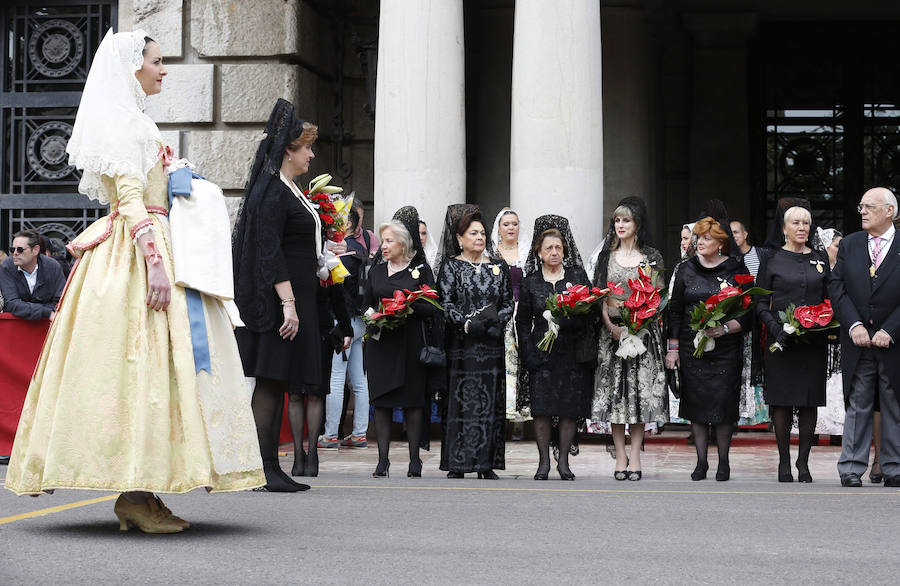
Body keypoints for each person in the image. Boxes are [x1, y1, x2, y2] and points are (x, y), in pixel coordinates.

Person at [5, 30, 265, 532]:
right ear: (133, 68)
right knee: (140, 370)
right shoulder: (126, 124)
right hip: (136, 249)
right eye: (157, 61)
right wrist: (156, 263)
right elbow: (127, 200)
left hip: (150, 238)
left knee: (156, 374)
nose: (164, 69)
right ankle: (136, 494)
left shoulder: (136, 121)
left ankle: (144, 491)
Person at [232, 98, 324, 493]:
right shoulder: (272, 190)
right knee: (270, 382)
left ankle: (268, 467)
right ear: (288, 149)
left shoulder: (286, 187)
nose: (311, 154)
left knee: (277, 382)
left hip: (295, 296)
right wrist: (288, 303)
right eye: (305, 147)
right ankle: (264, 467)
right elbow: (269, 251)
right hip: (278, 303)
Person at [666, 217, 751, 481]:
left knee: (724, 405)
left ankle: (723, 462)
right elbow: (676, 311)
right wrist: (673, 349)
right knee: (697, 404)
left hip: (725, 348)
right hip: (694, 348)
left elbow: (749, 310)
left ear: (721, 243)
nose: (699, 242)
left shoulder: (735, 269)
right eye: (698, 238)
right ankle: (701, 461)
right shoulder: (685, 269)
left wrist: (725, 328)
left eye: (706, 238)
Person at [592, 197, 667, 481]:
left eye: (626, 220)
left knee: (637, 396)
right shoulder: (605, 257)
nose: (620, 225)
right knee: (615, 398)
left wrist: (640, 323)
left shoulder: (652, 257)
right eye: (617, 221)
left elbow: (658, 296)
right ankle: (620, 455)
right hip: (611, 336)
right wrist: (611, 326)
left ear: (637, 224)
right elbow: (598, 296)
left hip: (643, 335)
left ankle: (635, 454)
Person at [830, 187, 900, 488]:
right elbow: (837, 287)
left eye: (869, 206)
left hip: (893, 340)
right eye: (861, 206)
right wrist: (854, 324)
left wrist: (890, 329)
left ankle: (893, 467)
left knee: (894, 403)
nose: (862, 211)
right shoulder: (851, 244)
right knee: (857, 402)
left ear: (889, 211)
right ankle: (850, 467)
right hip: (858, 340)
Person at [437, 208, 514, 479]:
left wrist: (494, 323)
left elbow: (508, 303)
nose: (479, 237)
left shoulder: (498, 265)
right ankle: (459, 463)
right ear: (459, 238)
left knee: (489, 402)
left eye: (482, 233)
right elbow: (444, 303)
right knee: (463, 402)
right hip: (462, 346)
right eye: (473, 233)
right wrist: (466, 324)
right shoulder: (451, 266)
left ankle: (485, 463)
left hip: (491, 346)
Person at [756, 205, 829, 482]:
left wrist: (824, 322)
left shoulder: (821, 258)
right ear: (784, 228)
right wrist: (775, 328)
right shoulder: (771, 259)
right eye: (795, 223)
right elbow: (760, 302)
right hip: (781, 341)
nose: (802, 227)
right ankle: (784, 462)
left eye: (806, 223)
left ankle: (804, 463)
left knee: (810, 402)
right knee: (783, 402)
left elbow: (829, 296)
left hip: (813, 341)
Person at [364, 213, 440, 477]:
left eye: (389, 241)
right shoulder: (375, 271)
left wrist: (405, 307)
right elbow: (364, 304)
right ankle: (383, 461)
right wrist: (375, 315)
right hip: (381, 345)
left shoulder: (420, 270)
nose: (384, 246)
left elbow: (432, 307)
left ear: (403, 244)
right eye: (383, 241)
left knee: (413, 402)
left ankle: (414, 460)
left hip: (410, 345)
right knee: (382, 402)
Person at [516, 218, 593, 480]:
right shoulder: (530, 282)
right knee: (543, 408)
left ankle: (563, 463)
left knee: (569, 407)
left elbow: (588, 314)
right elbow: (522, 320)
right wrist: (529, 352)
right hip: (542, 353)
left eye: (558, 248)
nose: (554, 253)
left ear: (565, 251)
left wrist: (567, 319)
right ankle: (543, 463)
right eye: (548, 248)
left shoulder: (577, 277)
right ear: (538, 252)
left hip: (571, 352)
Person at [320, 200, 376, 450]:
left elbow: (336, 290)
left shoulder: (340, 252)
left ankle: (330, 434)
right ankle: (359, 434)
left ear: (349, 224)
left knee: (335, 378)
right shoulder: (361, 253)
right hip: (359, 320)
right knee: (359, 380)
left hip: (340, 321)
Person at [490, 208, 531, 424]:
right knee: (503, 364)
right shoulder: (490, 253)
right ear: (498, 228)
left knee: (521, 363)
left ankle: (520, 418)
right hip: (499, 314)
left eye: (514, 224)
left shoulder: (526, 252)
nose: (511, 228)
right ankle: (502, 413)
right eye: (506, 224)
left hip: (523, 314)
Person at [1, 230, 65, 321]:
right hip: (17, 326)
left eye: (20, 249)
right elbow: (11, 303)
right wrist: (45, 312)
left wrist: (28, 309)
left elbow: (60, 301)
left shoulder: (53, 267)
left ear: (35, 250)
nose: (15, 253)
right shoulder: (7, 266)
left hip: (47, 326)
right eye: (12, 249)